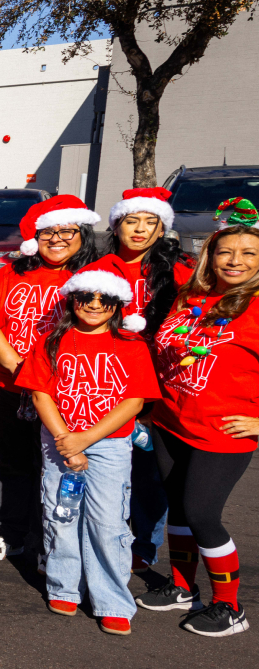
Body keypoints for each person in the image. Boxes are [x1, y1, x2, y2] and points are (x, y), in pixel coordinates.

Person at [17, 255, 160, 636]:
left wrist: (85, 439)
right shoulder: (52, 341)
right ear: (72, 299)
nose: (95, 305)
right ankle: (64, 584)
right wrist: (67, 440)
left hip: (109, 445)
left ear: (117, 305)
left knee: (106, 522)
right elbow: (40, 395)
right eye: (86, 297)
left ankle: (111, 599)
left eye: (105, 299)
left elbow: (133, 402)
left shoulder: (131, 345)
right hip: (59, 442)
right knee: (61, 514)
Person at [138, 206, 259, 637]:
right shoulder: (192, 296)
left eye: (248, 253)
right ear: (211, 254)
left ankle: (230, 607)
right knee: (180, 511)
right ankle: (183, 588)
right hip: (172, 421)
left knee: (203, 512)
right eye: (226, 252)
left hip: (221, 431)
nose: (235, 261)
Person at [0, 194, 102, 563]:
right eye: (48, 231)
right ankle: (8, 532)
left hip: (64, 393)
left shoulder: (91, 273)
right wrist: (14, 362)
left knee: (57, 468)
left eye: (67, 231)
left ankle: (50, 540)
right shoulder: (14, 272)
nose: (57, 238)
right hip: (12, 385)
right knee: (11, 462)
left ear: (82, 233)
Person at [107, 186, 195, 571]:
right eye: (131, 221)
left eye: (150, 222)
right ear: (117, 226)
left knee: (148, 471)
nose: (140, 229)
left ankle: (144, 543)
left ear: (162, 229)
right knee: (106, 465)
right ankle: (107, 534)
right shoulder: (99, 267)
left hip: (159, 383)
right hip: (106, 380)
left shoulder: (180, 272)